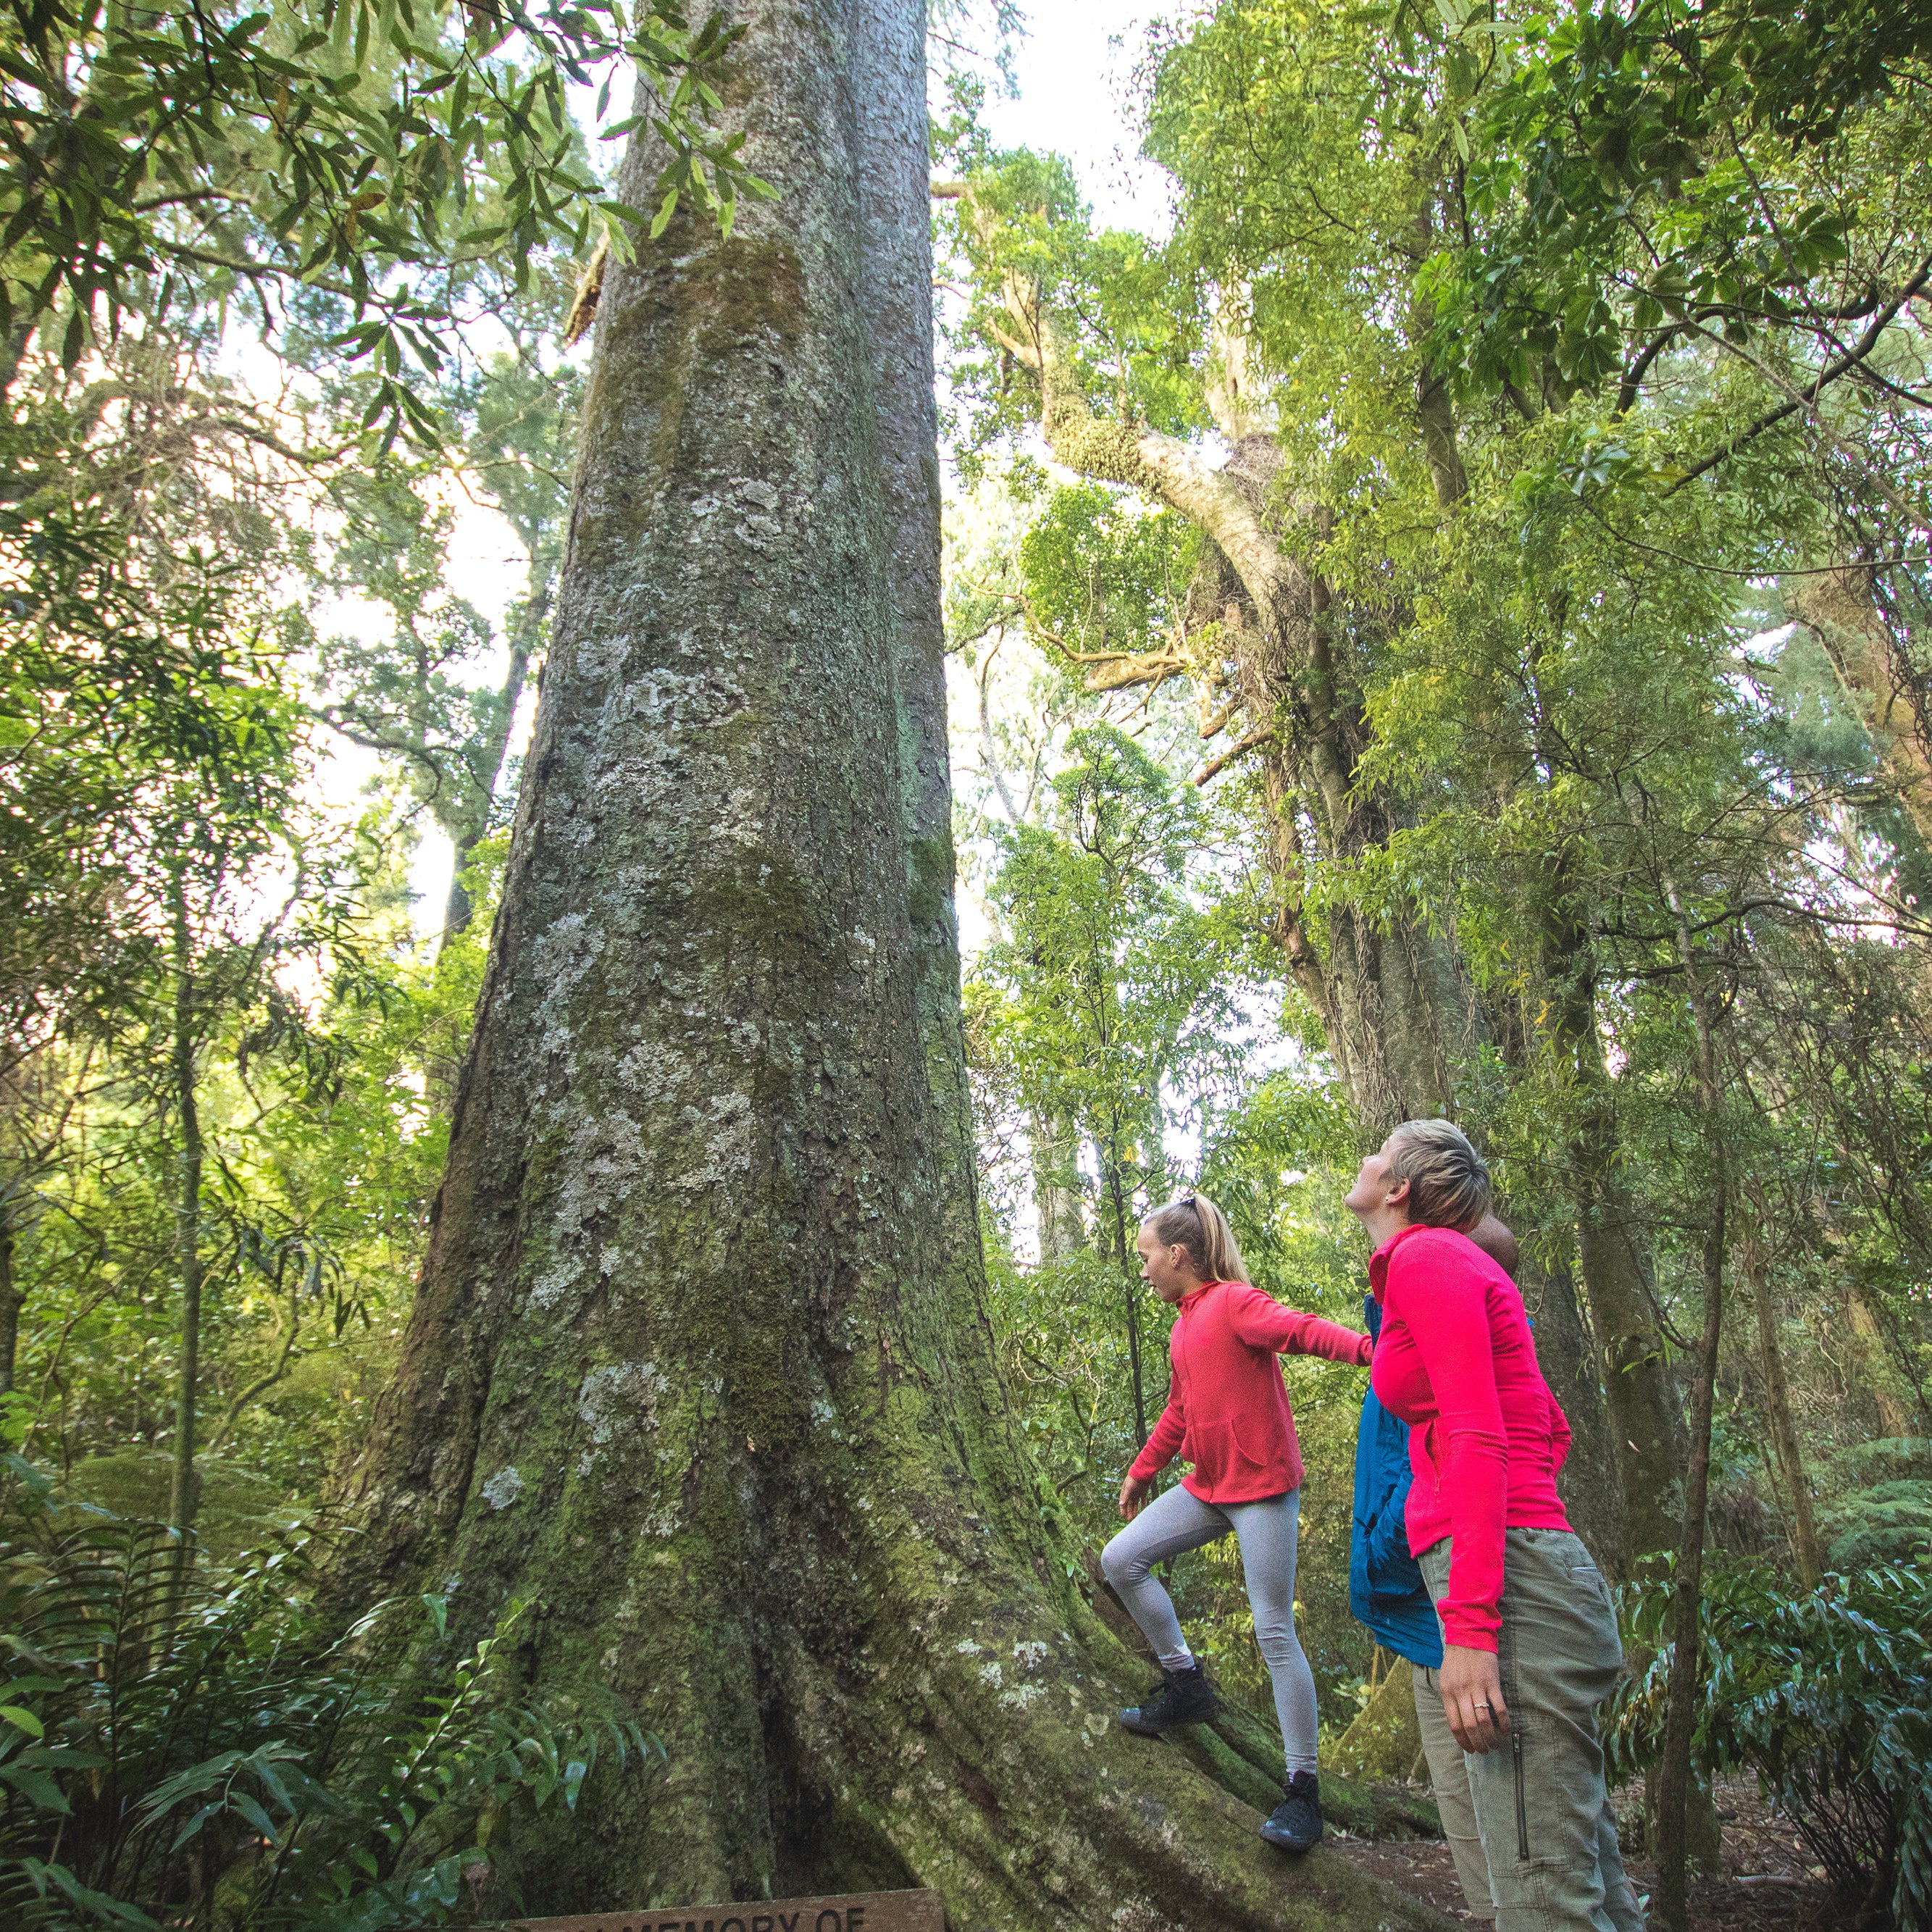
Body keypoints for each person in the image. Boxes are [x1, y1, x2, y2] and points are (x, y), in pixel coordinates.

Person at [1347, 1118, 1643, 1932]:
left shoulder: (1427, 1256)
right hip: (1526, 1572)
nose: (1365, 1158)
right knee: (1586, 1889)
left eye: (1380, 1151)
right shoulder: (1435, 1266)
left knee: (1543, 1903)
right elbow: (1546, 1426)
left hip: (1510, 1590)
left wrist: (1472, 1632)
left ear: (1399, 1188)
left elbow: (1484, 1432)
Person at [1100, 1190, 1373, 1856]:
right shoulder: (1181, 1324)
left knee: (1274, 1631)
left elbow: (1302, 1329)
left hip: (1263, 1492)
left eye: (1146, 1257)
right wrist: (1142, 1470)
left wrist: (1370, 1351)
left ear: (1178, 1254)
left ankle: (1302, 1793)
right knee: (1119, 1560)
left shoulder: (1234, 1303)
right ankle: (1186, 1683)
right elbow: (1178, 1412)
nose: (1142, 1271)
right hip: (1209, 1486)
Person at [1350, 1222, 1520, 1923]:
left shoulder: (1465, 1343)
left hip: (1450, 1608)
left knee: (1506, 1816)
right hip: (1423, 1621)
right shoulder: (1403, 1336)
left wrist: (1388, 1550)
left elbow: (1447, 1463)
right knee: (1464, 1814)